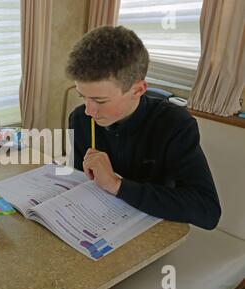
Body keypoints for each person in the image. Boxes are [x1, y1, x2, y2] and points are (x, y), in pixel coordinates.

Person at [66, 26, 221, 230]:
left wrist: (116, 185)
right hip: (96, 226)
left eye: (99, 100)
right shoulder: (79, 119)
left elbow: (207, 211)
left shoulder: (175, 125)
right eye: (82, 96)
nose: (88, 110)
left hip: (153, 234)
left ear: (138, 89)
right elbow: (75, 179)